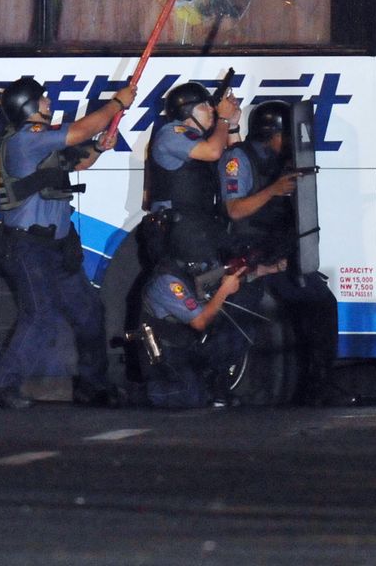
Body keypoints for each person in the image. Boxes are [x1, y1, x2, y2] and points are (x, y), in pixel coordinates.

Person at [0, 76, 137, 409]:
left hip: (57, 245)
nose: (48, 103)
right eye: (42, 99)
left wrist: (99, 147)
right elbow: (79, 131)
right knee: (40, 314)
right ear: (28, 107)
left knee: (89, 312)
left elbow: (79, 159)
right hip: (27, 246)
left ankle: (92, 385)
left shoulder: (42, 143)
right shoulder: (25, 140)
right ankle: (4, 387)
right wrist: (117, 103)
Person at [218, 99, 344, 405]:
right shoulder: (238, 159)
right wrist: (273, 190)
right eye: (286, 134)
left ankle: (318, 383)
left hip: (279, 250)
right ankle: (221, 382)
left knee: (321, 303)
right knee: (249, 318)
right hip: (249, 252)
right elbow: (234, 210)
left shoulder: (280, 160)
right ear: (271, 133)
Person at [135, 212, 252, 409]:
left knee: (238, 333)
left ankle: (215, 384)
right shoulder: (168, 280)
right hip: (164, 351)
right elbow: (200, 322)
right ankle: (142, 392)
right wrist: (223, 290)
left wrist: (261, 269)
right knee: (192, 397)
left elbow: (213, 275)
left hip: (185, 344)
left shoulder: (187, 267)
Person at [147, 80, 242, 262]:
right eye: (204, 105)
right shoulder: (171, 133)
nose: (211, 110)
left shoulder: (206, 139)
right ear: (186, 110)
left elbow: (237, 160)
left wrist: (231, 124)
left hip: (201, 227)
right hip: (178, 232)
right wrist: (222, 119)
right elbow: (213, 152)